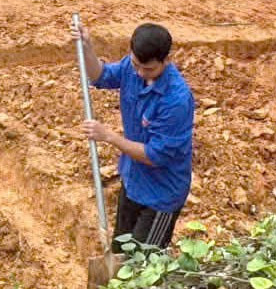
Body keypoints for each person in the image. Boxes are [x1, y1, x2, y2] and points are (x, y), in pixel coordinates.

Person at [72, 22, 196, 249]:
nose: (139, 73)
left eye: (148, 69)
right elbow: (100, 75)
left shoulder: (176, 100)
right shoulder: (132, 69)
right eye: (135, 64)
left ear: (166, 60)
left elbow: (155, 155)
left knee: (141, 265)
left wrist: (109, 136)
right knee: (121, 249)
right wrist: (87, 48)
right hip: (133, 181)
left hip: (161, 194)